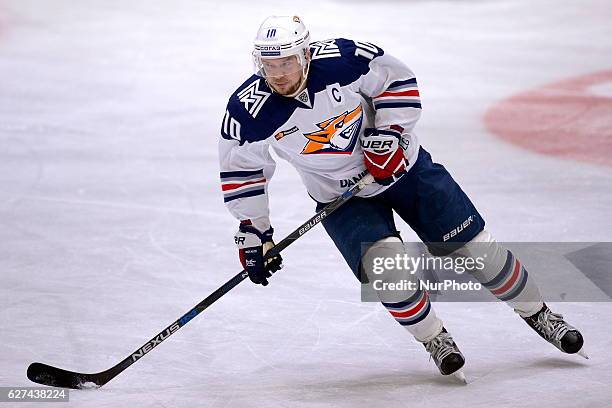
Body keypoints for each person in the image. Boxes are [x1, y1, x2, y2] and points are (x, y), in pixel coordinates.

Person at [218, 15, 587, 381]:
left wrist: (391, 133)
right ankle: (434, 338)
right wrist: (255, 230)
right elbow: (242, 171)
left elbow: (397, 81)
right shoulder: (248, 111)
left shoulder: (345, 60)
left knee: (477, 251)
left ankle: (539, 314)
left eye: (286, 62)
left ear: (305, 55)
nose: (278, 74)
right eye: (269, 65)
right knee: (388, 272)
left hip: (405, 170)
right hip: (343, 197)